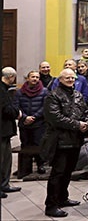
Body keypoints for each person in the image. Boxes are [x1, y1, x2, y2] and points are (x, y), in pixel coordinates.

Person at [41, 68, 88, 217]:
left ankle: (63, 198)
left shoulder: (77, 95)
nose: (70, 80)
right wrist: (78, 124)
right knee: (58, 173)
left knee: (68, 172)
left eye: (73, 78)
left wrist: (87, 123)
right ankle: (51, 205)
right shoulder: (53, 96)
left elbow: (86, 112)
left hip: (75, 140)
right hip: (60, 141)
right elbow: (55, 118)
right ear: (60, 80)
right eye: (67, 78)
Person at [15, 70, 48, 179]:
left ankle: (40, 165)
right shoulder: (20, 92)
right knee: (25, 145)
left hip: (38, 123)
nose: (35, 79)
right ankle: (24, 167)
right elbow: (16, 106)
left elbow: (45, 107)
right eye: (32, 77)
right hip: (24, 123)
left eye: (37, 77)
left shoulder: (44, 91)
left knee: (38, 145)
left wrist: (34, 117)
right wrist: (25, 117)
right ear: (28, 78)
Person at [1, 67, 22, 198]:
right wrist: (17, 113)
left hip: (5, 131)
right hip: (2, 130)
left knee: (6, 159)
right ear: (11, 77)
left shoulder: (4, 89)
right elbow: (6, 109)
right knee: (2, 159)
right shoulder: (2, 91)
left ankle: (4, 184)